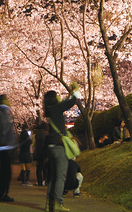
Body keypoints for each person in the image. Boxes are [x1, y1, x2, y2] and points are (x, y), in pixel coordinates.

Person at [43, 82, 79, 212]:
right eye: (57, 96)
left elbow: (64, 102)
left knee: (53, 176)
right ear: (54, 99)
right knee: (60, 176)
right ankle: (57, 203)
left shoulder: (51, 110)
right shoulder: (56, 108)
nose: (59, 97)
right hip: (58, 147)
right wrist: (75, 91)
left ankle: (49, 204)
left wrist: (69, 94)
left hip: (51, 147)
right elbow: (71, 102)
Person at [0, 94, 18, 202]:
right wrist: (5, 143)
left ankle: (3, 193)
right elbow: (3, 129)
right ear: (4, 101)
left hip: (4, 145)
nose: (10, 101)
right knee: (6, 172)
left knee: (6, 171)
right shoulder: (4, 112)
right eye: (8, 99)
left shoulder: (2, 112)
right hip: (4, 146)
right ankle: (2, 194)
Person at [33, 122, 49, 186]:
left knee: (39, 168)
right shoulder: (46, 134)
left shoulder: (37, 135)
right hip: (44, 153)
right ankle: (45, 181)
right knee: (45, 168)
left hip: (38, 153)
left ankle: (39, 181)